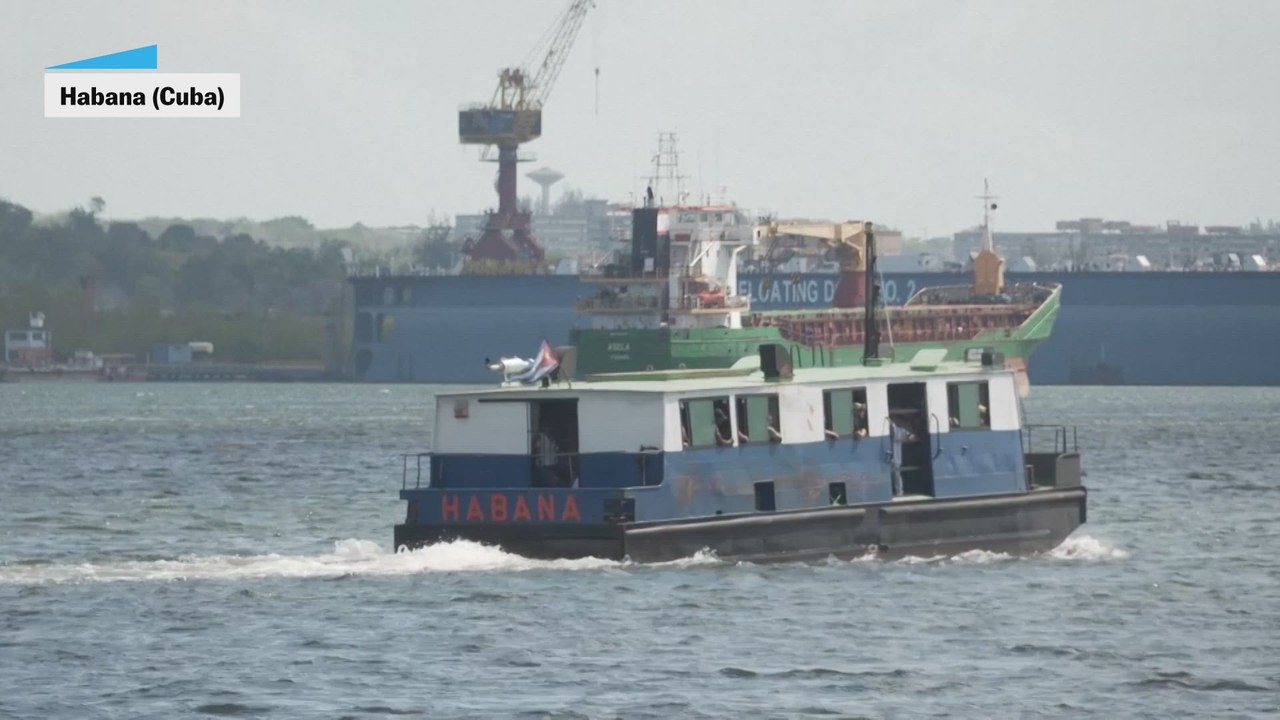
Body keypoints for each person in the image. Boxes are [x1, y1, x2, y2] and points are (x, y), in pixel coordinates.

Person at [889, 415, 916, 496]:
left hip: (896, 457)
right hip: (888, 457)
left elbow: (912, 437)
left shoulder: (899, 431)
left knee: (897, 475)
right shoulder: (888, 431)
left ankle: (899, 492)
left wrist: (911, 437)